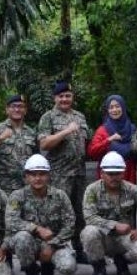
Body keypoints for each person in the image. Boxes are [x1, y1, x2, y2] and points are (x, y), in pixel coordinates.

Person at [5, 154, 78, 275]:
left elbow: (70, 223)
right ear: (26, 176)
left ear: (48, 175)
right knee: (22, 237)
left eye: (42, 174)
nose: (38, 178)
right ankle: (31, 272)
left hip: (55, 242)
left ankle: (47, 265)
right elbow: (11, 221)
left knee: (69, 267)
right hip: (29, 243)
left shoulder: (60, 195)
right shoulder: (17, 196)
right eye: (33, 174)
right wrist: (36, 229)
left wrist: (52, 245)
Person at [80, 152, 137, 275]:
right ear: (102, 173)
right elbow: (89, 217)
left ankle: (122, 260)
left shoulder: (131, 189)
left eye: (117, 173)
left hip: (125, 237)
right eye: (110, 174)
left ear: (123, 173)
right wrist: (114, 225)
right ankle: (99, 269)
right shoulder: (92, 190)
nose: (114, 177)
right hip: (103, 236)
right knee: (89, 232)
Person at [37, 81, 91, 237]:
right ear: (55, 98)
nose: (65, 99)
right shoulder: (48, 117)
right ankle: (57, 246)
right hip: (59, 176)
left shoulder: (79, 116)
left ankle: (79, 247)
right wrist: (65, 131)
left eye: (68, 96)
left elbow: (86, 142)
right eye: (61, 96)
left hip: (79, 174)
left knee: (80, 211)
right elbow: (44, 144)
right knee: (58, 212)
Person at [0, 94, 38, 194]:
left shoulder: (31, 132)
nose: (17, 109)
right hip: (6, 185)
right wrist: (0, 138)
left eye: (20, 106)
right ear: (7, 110)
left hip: (28, 185)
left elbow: (37, 156)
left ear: (25, 110)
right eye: (13, 106)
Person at [88, 94, 137, 184]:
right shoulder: (103, 130)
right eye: (111, 107)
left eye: (117, 106)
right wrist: (109, 140)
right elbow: (92, 152)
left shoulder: (132, 129)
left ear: (123, 107)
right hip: (108, 179)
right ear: (107, 110)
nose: (114, 110)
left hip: (129, 176)